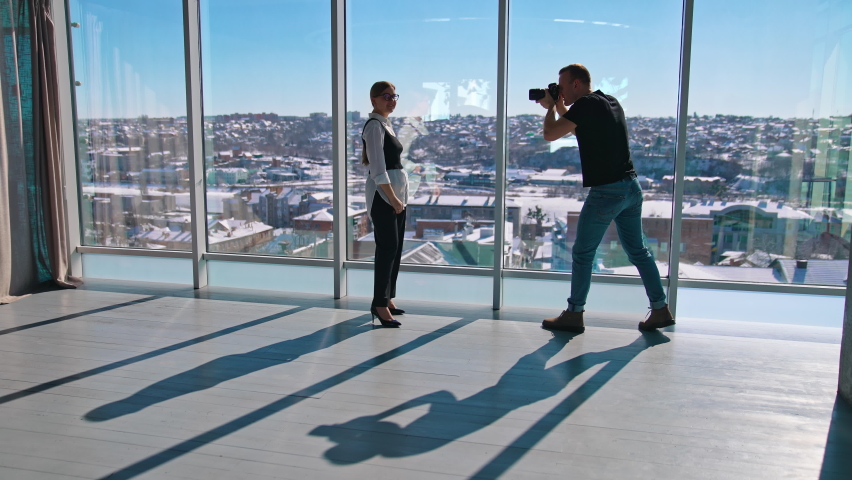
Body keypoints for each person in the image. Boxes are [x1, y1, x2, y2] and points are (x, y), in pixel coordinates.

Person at [536, 64, 674, 333]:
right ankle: (660, 309)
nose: (559, 90)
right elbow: (577, 129)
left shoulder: (586, 104)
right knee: (639, 252)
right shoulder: (609, 102)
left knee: (583, 253)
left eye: (562, 86)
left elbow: (550, 134)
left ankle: (574, 314)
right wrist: (559, 106)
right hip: (631, 187)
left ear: (576, 84)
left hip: (607, 191)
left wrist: (550, 108)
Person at [362, 81, 408, 328]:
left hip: (395, 197)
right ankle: (379, 304)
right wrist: (393, 199)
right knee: (387, 249)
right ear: (374, 100)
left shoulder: (385, 125)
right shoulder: (374, 126)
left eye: (394, 96)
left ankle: (387, 298)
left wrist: (399, 198)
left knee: (395, 249)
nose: (391, 101)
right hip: (384, 197)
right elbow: (378, 170)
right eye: (386, 96)